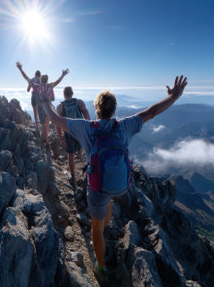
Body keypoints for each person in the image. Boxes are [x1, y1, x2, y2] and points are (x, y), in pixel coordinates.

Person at [39, 75, 188, 275]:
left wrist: (45, 99)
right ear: (114, 108)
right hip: (122, 186)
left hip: (98, 188)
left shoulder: (86, 128)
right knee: (108, 199)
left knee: (97, 229)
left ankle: (100, 267)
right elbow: (151, 112)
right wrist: (174, 97)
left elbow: (55, 119)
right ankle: (108, 214)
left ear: (97, 108)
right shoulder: (125, 125)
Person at [56, 86, 90, 185]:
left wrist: (60, 135)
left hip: (68, 131)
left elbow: (58, 123)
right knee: (80, 145)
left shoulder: (60, 107)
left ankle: (72, 175)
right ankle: (80, 156)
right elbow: (86, 114)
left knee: (70, 153)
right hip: (80, 129)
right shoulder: (79, 102)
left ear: (64, 94)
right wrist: (88, 128)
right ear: (72, 93)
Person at [36, 69, 69, 143]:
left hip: (41, 107)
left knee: (43, 124)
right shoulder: (50, 85)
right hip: (48, 106)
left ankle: (46, 140)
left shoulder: (38, 86)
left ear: (41, 80)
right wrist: (63, 75)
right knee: (47, 121)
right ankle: (48, 136)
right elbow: (58, 81)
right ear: (47, 80)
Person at [16, 62, 41, 127]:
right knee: (42, 112)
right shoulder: (42, 80)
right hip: (41, 98)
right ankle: (44, 127)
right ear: (40, 75)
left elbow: (28, 89)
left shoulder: (32, 79)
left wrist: (20, 69)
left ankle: (37, 125)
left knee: (35, 112)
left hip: (34, 97)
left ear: (35, 74)